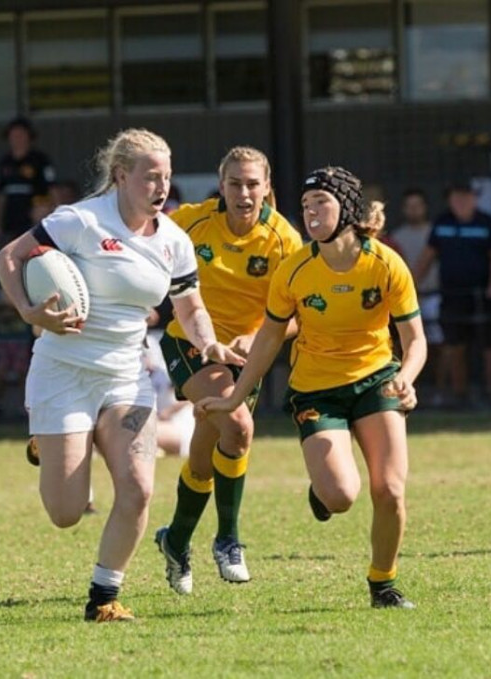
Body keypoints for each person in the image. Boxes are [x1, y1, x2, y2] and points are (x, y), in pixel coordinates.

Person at [0, 128, 243, 622]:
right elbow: (10, 257)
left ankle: (104, 598)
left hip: (127, 377)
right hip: (63, 371)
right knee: (66, 513)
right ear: (121, 175)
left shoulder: (174, 240)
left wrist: (209, 342)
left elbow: (189, 306)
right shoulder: (82, 220)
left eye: (167, 177)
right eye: (151, 177)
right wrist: (29, 311)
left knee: (139, 489)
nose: (161, 187)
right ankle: (52, 442)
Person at [197, 166, 427, 609]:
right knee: (340, 496)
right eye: (304, 205)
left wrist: (407, 377)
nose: (310, 212)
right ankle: (322, 490)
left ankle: (383, 584)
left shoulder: (385, 263)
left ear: (347, 209)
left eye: (320, 201)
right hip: (316, 391)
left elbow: (415, 340)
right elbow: (267, 340)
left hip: (377, 379)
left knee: (390, 490)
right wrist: (234, 395)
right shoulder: (294, 270)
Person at [155, 146, 302, 595]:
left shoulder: (283, 240)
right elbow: (140, 244)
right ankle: (228, 540)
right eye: (235, 183)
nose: (244, 192)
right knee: (238, 427)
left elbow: (298, 315)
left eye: (253, 184)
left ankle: (175, 540)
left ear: (267, 187)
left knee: (206, 455)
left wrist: (259, 339)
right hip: (191, 344)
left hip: (246, 358)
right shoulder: (189, 222)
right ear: (221, 186)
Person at [414, 181, 491, 405]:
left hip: (483, 295)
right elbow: (427, 257)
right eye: (456, 197)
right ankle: (460, 394)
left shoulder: (488, 223)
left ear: (475, 199)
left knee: (489, 345)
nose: (461, 202)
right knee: (455, 344)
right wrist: (410, 287)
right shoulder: (442, 223)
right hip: (452, 294)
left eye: (465, 197)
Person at [391, 188, 447, 405]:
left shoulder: (434, 232)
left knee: (438, 346)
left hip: (433, 297)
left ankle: (439, 391)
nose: (414, 210)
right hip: (403, 300)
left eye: (418, 205)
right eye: (409, 206)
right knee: (401, 346)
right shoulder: (396, 237)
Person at [0, 116, 56, 246]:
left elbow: (52, 189)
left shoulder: (40, 160)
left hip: (33, 218)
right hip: (10, 219)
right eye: (13, 135)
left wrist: (53, 212)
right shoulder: (5, 163)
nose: (17, 138)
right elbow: (0, 195)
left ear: (29, 137)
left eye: (21, 134)